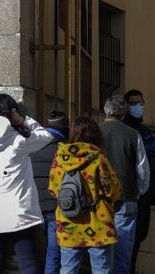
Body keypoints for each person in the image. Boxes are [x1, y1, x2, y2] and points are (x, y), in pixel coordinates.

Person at [0, 94, 53, 274]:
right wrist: (23, 120)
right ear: (12, 111)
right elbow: (46, 136)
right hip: (19, 211)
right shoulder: (19, 139)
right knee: (28, 262)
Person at [49, 116, 122, 274]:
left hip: (68, 222)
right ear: (96, 134)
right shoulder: (98, 158)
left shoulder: (60, 158)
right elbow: (112, 191)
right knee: (101, 269)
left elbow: (54, 189)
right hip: (98, 223)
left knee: (67, 269)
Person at [100, 95, 150, 274]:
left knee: (101, 248)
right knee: (123, 247)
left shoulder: (95, 132)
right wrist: (140, 191)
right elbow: (142, 168)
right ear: (124, 112)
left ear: (105, 110)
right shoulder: (133, 134)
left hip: (99, 196)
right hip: (127, 194)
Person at [123, 90, 155, 273]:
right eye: (133, 103)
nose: (138, 106)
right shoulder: (129, 129)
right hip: (135, 191)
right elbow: (139, 149)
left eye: (141, 102)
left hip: (144, 191)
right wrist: (154, 140)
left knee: (139, 234)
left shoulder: (140, 127)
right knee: (133, 234)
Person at [31, 110, 69, 274]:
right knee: (54, 255)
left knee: (32, 256)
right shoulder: (65, 150)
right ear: (65, 128)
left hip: (33, 209)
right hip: (55, 210)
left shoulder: (32, 147)